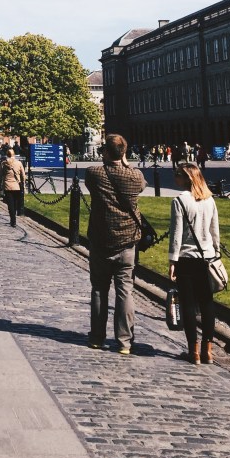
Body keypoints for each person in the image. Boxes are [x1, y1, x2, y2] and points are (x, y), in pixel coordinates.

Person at [85, 133, 146, 355]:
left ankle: (96, 338)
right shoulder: (135, 176)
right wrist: (125, 163)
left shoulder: (95, 173)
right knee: (125, 291)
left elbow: (91, 183)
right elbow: (142, 186)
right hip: (128, 241)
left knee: (99, 289)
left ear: (106, 152)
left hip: (101, 240)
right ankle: (124, 342)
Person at [169, 161, 220, 365]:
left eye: (177, 175)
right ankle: (208, 349)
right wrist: (216, 253)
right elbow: (214, 230)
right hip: (207, 258)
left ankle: (194, 351)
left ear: (187, 178)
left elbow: (176, 234)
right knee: (207, 303)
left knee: (189, 305)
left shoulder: (180, 201)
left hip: (186, 258)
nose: (175, 178)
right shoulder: (209, 200)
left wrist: (172, 260)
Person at [0, 148, 26, 227]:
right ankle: (15, 217)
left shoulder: (4, 163)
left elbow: (0, 176)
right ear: (14, 155)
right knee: (15, 203)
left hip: (7, 185)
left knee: (10, 204)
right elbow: (23, 175)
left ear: (7, 154)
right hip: (17, 186)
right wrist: (23, 184)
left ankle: (12, 219)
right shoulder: (19, 163)